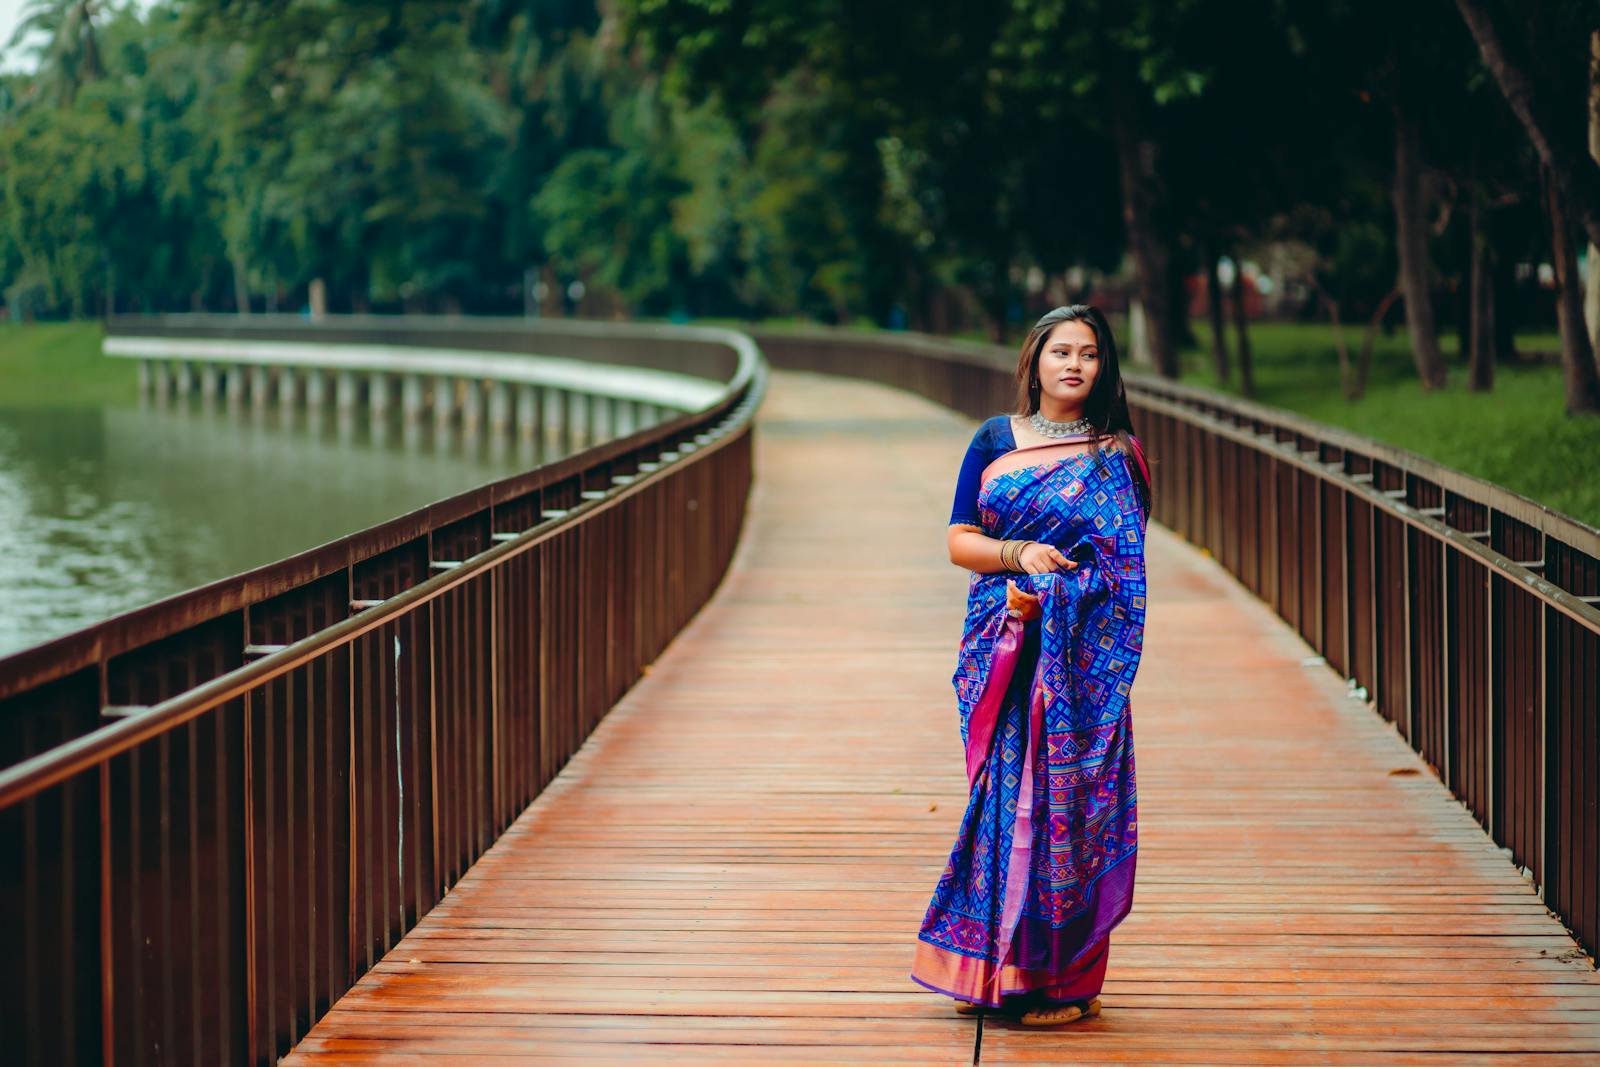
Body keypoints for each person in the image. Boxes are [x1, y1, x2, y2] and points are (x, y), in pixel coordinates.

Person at [909, 304, 1152, 1027]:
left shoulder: (1117, 456)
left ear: (1104, 368)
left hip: (1078, 669)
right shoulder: (992, 439)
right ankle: (994, 968)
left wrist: (1063, 594)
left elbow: (1125, 573)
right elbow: (960, 541)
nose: (1074, 364)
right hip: (1008, 648)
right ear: (1034, 361)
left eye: (1089, 353)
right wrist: (1019, 561)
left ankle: (1060, 977)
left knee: (1067, 813)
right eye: (1061, 351)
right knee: (1003, 807)